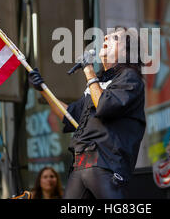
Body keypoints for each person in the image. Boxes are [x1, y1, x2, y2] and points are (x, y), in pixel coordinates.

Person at [29, 27, 146, 199]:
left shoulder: (129, 77)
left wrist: (89, 72)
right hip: (81, 164)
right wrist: (42, 90)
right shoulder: (97, 84)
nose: (105, 37)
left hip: (106, 164)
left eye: (114, 38)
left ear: (126, 51)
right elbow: (69, 115)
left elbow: (105, 106)